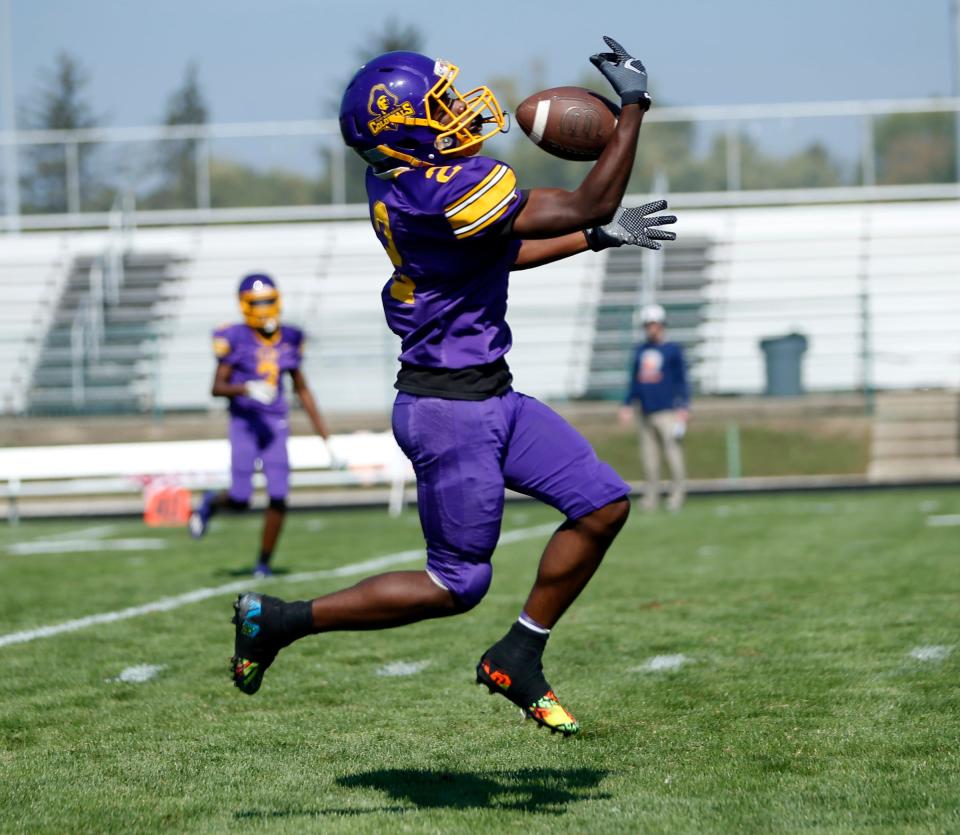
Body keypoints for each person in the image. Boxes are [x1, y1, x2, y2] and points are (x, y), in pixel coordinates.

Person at [229, 37, 676, 736]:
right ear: (402, 129)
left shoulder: (413, 184)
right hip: (450, 409)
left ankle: (518, 652)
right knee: (456, 583)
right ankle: (279, 620)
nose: (457, 113)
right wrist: (633, 108)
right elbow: (591, 197)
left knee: (602, 504)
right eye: (437, 107)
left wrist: (598, 238)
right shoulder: (436, 190)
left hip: (491, 393)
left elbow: (505, 249)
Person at [188, 273, 339, 576]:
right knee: (241, 498)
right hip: (245, 422)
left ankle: (263, 564)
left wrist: (326, 437)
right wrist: (246, 388)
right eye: (257, 302)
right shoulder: (234, 337)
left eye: (269, 300)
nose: (264, 308)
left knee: (279, 494)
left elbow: (302, 388)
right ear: (244, 304)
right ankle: (211, 502)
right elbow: (216, 387)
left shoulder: (291, 337)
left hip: (275, 424)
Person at [619, 303, 690, 512]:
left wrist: (684, 406)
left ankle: (678, 494)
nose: (651, 328)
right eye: (648, 324)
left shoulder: (672, 350)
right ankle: (652, 496)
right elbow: (634, 380)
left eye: (654, 324)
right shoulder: (640, 350)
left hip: (667, 410)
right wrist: (627, 404)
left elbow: (681, 380)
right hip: (645, 410)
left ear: (662, 325)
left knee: (673, 453)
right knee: (649, 457)